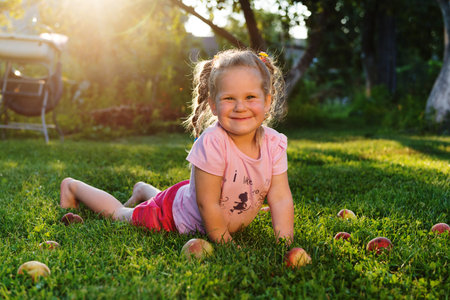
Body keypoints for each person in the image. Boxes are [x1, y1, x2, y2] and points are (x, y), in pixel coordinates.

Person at [60, 49, 294, 245]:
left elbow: (280, 197)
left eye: (251, 97)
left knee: (177, 195)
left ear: (268, 101)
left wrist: (284, 244)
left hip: (192, 194)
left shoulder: (274, 143)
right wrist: (226, 244)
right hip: (174, 215)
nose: (240, 107)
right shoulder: (214, 142)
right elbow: (207, 203)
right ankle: (73, 186)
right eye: (229, 98)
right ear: (213, 105)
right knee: (122, 215)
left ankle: (144, 189)